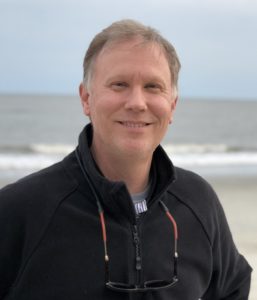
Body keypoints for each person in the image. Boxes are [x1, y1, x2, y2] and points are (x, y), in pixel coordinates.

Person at [0, 19, 252, 300]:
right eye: (119, 84)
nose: (136, 102)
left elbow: (233, 287)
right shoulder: (19, 210)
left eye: (153, 86)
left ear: (172, 105)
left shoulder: (197, 202)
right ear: (86, 98)